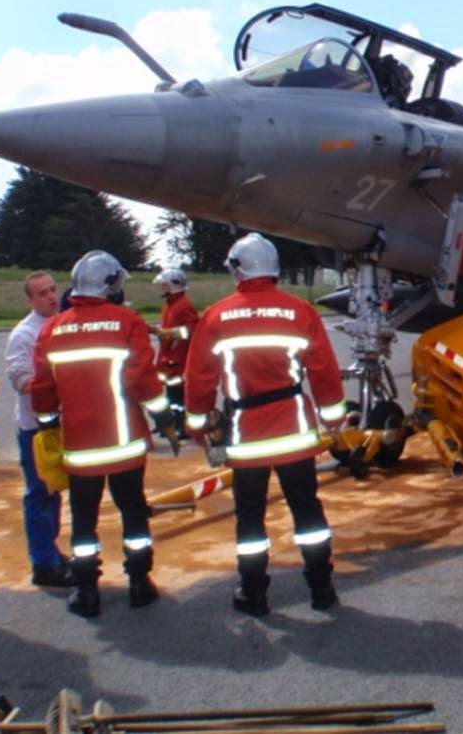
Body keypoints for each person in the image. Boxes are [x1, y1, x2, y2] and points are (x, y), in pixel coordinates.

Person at [184, 233, 348, 617]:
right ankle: (322, 589)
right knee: (308, 512)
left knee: (250, 518)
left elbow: (200, 379)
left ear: (238, 269)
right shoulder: (299, 311)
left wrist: (198, 424)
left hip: (246, 436)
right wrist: (334, 418)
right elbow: (324, 371)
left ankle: (253, 591)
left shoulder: (217, 316)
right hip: (294, 431)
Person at [30, 250, 171, 618]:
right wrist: (166, 418)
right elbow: (143, 380)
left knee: (83, 521)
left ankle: (86, 591)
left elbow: (42, 389)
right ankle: (139, 583)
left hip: (80, 449)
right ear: (109, 285)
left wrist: (48, 425)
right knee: (133, 515)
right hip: (124, 445)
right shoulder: (127, 322)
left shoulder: (52, 329)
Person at [3, 271, 75, 588]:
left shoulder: (62, 325)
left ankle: (51, 550)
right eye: (41, 293)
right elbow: (19, 378)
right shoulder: (24, 334)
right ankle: (43, 564)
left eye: (52, 290)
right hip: (35, 428)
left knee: (54, 489)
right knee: (39, 493)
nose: (50, 296)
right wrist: (51, 386)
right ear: (29, 300)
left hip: (61, 424)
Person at [151, 268, 198, 438]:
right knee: (171, 396)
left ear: (173, 285)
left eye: (164, 285)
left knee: (180, 396)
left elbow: (192, 330)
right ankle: (171, 425)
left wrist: (171, 334)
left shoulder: (184, 306)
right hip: (169, 357)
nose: (162, 289)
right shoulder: (170, 306)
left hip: (180, 358)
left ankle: (183, 427)